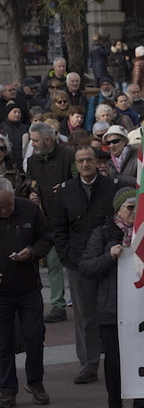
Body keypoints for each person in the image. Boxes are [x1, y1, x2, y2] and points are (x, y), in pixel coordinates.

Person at [79, 188, 144, 408]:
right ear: (118, 210)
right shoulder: (102, 234)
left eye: (137, 207)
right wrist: (109, 257)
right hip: (114, 308)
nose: (133, 212)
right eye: (129, 207)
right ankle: (115, 405)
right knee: (115, 360)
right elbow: (86, 267)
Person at [52, 146, 123, 384]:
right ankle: (89, 364)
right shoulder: (65, 191)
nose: (85, 164)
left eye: (89, 160)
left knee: (114, 314)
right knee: (85, 316)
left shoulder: (112, 187)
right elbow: (59, 228)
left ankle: (120, 361)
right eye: (80, 160)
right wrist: (65, 257)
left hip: (109, 262)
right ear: (75, 164)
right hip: (78, 262)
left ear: (97, 162)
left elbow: (120, 221)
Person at [0, 177, 53, 408]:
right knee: (4, 342)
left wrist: (32, 252)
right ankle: (7, 389)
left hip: (29, 287)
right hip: (2, 292)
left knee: (34, 337)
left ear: (14, 198)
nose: (4, 211)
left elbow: (47, 238)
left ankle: (35, 382)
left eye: (8, 206)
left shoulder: (30, 210)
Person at [25, 122, 74, 324]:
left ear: (47, 139)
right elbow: (29, 184)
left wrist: (66, 187)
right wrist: (32, 194)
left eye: (35, 140)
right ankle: (58, 305)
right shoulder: (33, 161)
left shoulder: (69, 155)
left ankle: (81, 301)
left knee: (74, 264)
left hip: (71, 220)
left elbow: (81, 181)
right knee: (53, 265)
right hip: (47, 221)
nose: (33, 144)